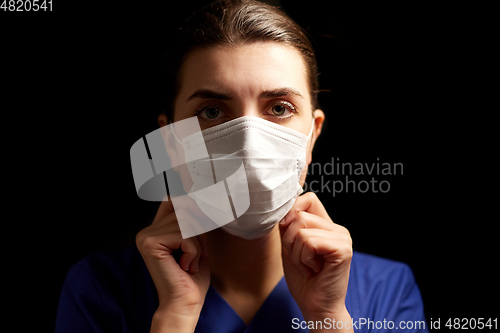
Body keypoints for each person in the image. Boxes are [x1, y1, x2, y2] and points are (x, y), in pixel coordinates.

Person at [55, 1, 428, 332]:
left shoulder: (386, 291)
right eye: (213, 112)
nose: (249, 143)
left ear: (312, 135)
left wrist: (328, 317)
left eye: (279, 108)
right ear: (171, 142)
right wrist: (175, 317)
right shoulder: (100, 289)